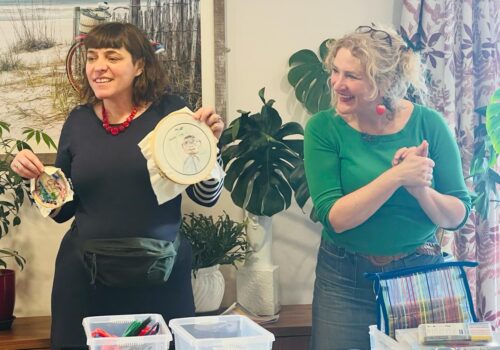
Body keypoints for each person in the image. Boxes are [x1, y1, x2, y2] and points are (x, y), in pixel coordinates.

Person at [10, 22, 225, 349]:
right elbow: (64, 209)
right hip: (84, 279)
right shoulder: (78, 121)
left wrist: (207, 150)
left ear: (139, 65)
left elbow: (205, 196)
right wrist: (36, 178)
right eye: (92, 57)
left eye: (112, 57)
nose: (98, 67)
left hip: (160, 277)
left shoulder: (172, 114)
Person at [304, 24, 471, 350]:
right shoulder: (324, 129)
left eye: (351, 76)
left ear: (384, 81)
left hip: (419, 274)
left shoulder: (428, 124)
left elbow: (457, 215)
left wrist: (418, 186)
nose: (337, 83)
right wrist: (395, 176)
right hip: (344, 279)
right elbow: (335, 216)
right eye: (335, 71)